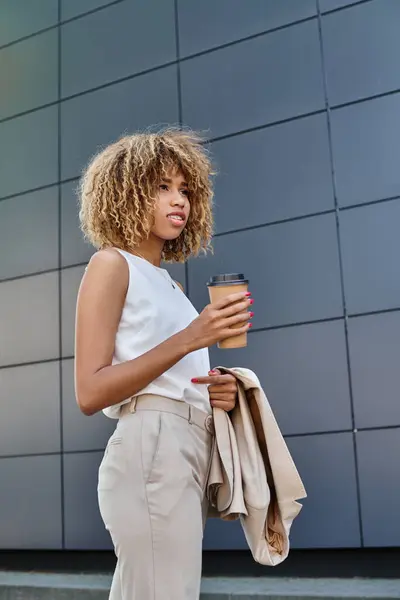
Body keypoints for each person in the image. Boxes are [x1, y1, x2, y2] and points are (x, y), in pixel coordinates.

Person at [74, 128, 253, 600]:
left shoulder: (170, 286)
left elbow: (170, 371)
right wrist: (193, 336)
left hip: (186, 448)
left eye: (185, 189)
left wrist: (215, 391)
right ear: (125, 191)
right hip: (151, 446)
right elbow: (90, 392)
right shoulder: (111, 265)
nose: (179, 200)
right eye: (162, 186)